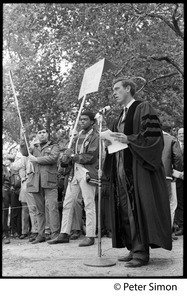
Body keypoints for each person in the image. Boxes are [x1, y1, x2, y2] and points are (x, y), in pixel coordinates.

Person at [103, 77, 172, 268]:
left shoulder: (143, 107)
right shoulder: (120, 116)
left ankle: (142, 252)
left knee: (138, 209)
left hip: (138, 168)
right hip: (122, 169)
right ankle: (133, 248)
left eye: (117, 89)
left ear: (128, 88)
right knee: (126, 209)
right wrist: (111, 141)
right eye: (113, 89)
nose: (114, 92)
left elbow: (152, 138)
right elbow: (122, 141)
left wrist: (129, 139)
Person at [48, 110, 99, 247]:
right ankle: (64, 233)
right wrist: (65, 159)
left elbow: (91, 156)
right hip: (74, 171)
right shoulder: (76, 137)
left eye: (85, 119)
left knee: (89, 204)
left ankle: (90, 235)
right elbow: (70, 156)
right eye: (81, 119)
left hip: (87, 171)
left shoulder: (95, 136)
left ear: (92, 121)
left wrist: (73, 157)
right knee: (67, 203)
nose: (82, 121)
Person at [20, 125, 60, 244]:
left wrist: (37, 160)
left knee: (52, 207)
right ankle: (41, 234)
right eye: (39, 132)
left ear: (48, 134)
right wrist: (23, 137)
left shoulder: (54, 146)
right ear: (37, 135)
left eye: (44, 132)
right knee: (39, 209)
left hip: (49, 180)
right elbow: (24, 151)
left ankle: (55, 233)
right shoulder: (33, 148)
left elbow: (53, 158)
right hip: (35, 181)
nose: (42, 134)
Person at [162, 127, 183, 240]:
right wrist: (177, 172)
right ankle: (167, 232)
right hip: (168, 175)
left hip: (153, 175)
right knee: (171, 203)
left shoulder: (148, 139)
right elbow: (178, 157)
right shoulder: (170, 139)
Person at [174, 127, 184, 236]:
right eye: (180, 133)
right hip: (178, 178)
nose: (181, 135)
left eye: (183, 133)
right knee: (179, 203)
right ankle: (181, 226)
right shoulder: (174, 145)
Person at [2, 163, 11, 244]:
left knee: (4, 215)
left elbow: (7, 181)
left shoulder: (3, 167)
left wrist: (4, 190)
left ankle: (5, 234)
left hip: (2, 194)